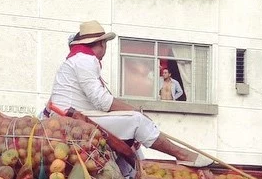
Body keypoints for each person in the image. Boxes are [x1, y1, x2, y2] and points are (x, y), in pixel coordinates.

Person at [43, 20, 212, 167]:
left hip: (73, 118)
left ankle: (134, 175)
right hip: (73, 121)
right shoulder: (85, 60)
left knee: (131, 135)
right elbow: (102, 101)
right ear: (102, 44)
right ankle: (182, 155)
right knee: (137, 121)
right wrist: (134, 111)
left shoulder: (77, 59)